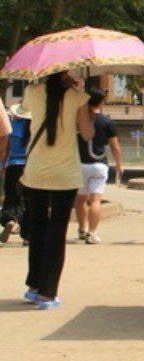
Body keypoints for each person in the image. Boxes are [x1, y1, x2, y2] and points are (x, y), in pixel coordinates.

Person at [21, 71, 93, 310]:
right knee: (57, 231)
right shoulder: (78, 97)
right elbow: (88, 134)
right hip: (65, 172)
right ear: (66, 73)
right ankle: (48, 293)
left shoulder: (32, 91)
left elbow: (25, 111)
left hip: (36, 170)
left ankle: (34, 285)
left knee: (37, 226)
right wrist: (85, 106)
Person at [74, 88, 123, 245]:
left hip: (80, 164)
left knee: (81, 199)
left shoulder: (77, 120)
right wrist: (119, 164)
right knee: (95, 200)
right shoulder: (107, 122)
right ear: (101, 102)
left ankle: (82, 229)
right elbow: (115, 146)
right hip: (99, 165)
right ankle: (92, 233)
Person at [1, 103, 30, 244]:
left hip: (13, 165)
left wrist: (3, 164)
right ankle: (27, 234)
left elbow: (5, 147)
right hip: (28, 166)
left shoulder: (11, 126)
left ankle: (10, 219)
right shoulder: (31, 127)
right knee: (26, 199)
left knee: (11, 195)